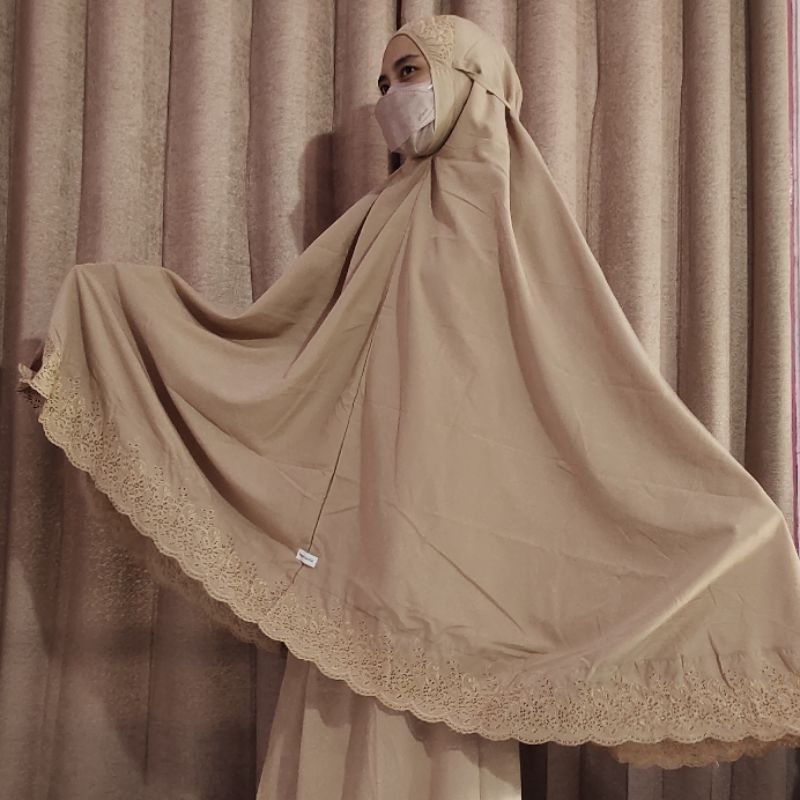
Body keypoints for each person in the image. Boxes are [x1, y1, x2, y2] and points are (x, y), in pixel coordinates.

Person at [16, 13, 800, 788]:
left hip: (464, 553)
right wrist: (116, 315)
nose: (391, 95)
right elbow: (287, 339)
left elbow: (598, 392)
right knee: (349, 692)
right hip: (367, 531)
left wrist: (730, 524)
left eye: (410, 73)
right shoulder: (383, 214)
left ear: (471, 82)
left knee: (442, 720)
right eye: (385, 80)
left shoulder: (527, 229)